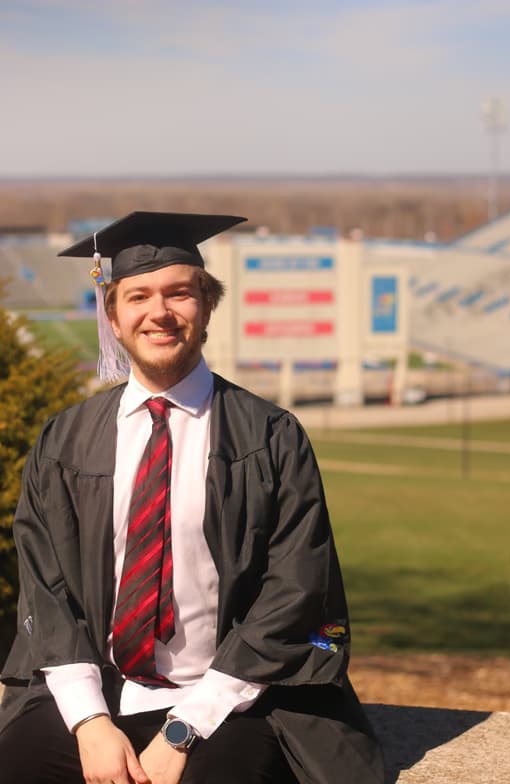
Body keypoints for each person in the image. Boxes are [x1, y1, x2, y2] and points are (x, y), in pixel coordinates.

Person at [0, 211, 384, 784]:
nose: (159, 312)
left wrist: (186, 728)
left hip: (236, 700)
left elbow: (297, 591)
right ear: (114, 315)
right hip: (101, 692)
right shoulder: (66, 440)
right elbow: (47, 590)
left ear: (206, 307)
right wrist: (89, 722)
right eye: (138, 296)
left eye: (179, 293)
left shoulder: (270, 436)